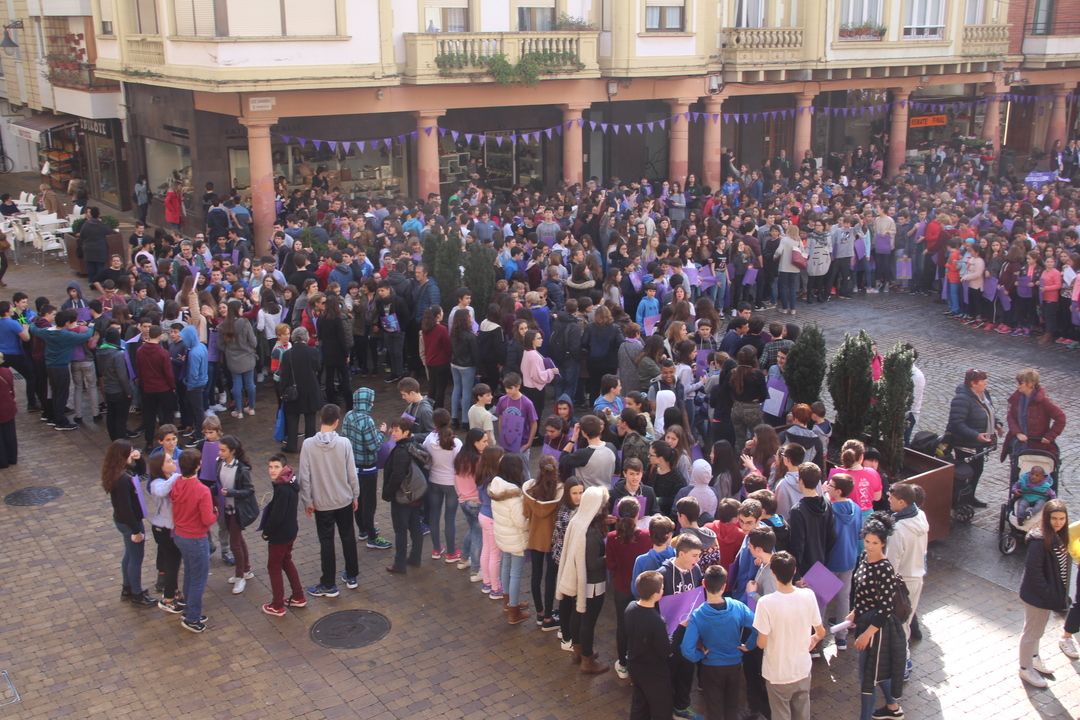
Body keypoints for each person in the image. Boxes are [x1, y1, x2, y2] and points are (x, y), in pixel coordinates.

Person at [846, 513, 906, 720]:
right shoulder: (864, 557)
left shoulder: (885, 569)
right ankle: (893, 707)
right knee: (874, 672)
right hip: (864, 622)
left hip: (876, 629)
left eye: (875, 543)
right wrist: (855, 611)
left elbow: (885, 608)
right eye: (867, 541)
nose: (870, 546)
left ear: (883, 543)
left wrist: (867, 635)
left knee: (867, 676)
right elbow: (861, 592)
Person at [680, 564, 758, 720]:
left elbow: (687, 649)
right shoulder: (738, 607)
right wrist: (748, 646)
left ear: (704, 584)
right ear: (724, 586)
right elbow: (758, 626)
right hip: (734, 665)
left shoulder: (697, 614)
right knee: (732, 707)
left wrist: (700, 655)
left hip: (711, 667)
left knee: (714, 709)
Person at [753, 551, 825, 720]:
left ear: (773, 573)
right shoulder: (808, 595)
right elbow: (821, 632)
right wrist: (814, 639)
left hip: (777, 673)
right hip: (802, 669)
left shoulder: (765, 603)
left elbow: (761, 643)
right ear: (794, 571)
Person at [299, 404, 359, 596]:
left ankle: (328, 584)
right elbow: (352, 473)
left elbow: (304, 476)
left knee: (326, 541)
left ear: (320, 419)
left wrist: (307, 500)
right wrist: (355, 495)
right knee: (348, 536)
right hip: (344, 499)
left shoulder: (308, 445)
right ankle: (352, 576)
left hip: (322, 503)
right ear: (336, 422)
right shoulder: (344, 443)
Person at [556, 485, 611, 674]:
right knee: (588, 622)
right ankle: (587, 660)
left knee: (576, 616)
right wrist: (608, 556)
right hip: (592, 585)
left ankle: (578, 652)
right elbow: (593, 564)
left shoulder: (577, 520)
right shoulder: (592, 532)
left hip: (577, 581)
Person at [1018, 500, 1071, 688]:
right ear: (1046, 518)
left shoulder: (1056, 536)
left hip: (1045, 596)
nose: (1058, 523)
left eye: (1062, 519)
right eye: (1054, 518)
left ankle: (1034, 658)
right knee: (1032, 632)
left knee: (1036, 631)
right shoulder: (1039, 542)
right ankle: (1025, 668)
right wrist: (1049, 594)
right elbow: (1034, 572)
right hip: (1038, 596)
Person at [102, 440, 156, 608]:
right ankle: (137, 594)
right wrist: (136, 530)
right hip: (130, 523)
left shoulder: (118, 472)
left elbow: (140, 472)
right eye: (130, 451)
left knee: (129, 555)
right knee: (136, 558)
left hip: (122, 521)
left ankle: (127, 588)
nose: (133, 453)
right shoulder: (123, 480)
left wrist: (139, 459)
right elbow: (126, 508)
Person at [170, 448, 218, 633]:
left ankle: (189, 610)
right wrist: (215, 513)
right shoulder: (202, 490)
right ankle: (192, 618)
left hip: (180, 535)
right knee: (198, 579)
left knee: (190, 574)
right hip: (196, 539)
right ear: (198, 466)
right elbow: (207, 519)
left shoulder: (177, 483)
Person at [658, 533, 706, 718]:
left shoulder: (696, 570)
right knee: (668, 675)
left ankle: (681, 707)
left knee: (686, 672)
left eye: (699, 555)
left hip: (689, 635)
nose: (698, 559)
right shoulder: (663, 574)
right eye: (694, 555)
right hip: (669, 636)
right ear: (681, 554)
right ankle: (664, 709)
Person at [606, 496, 653, 678]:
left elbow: (610, 565)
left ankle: (623, 664)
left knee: (622, 626)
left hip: (621, 588)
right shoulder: (647, 536)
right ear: (638, 514)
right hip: (642, 590)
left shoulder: (612, 538)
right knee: (641, 626)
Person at [341, 387, 392, 549]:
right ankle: (372, 537)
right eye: (371, 401)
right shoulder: (367, 420)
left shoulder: (348, 415)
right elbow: (373, 446)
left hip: (352, 466)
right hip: (367, 469)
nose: (372, 404)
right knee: (369, 504)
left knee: (358, 499)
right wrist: (382, 433)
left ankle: (362, 530)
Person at [946, 369, 1003, 506]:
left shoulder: (984, 394)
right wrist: (976, 436)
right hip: (966, 443)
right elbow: (957, 423)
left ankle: (969, 497)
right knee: (966, 472)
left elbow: (989, 412)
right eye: (982, 381)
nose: (985, 383)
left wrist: (997, 423)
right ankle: (959, 499)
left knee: (977, 470)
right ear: (973, 383)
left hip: (978, 443)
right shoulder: (961, 399)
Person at [259, 453, 307, 616]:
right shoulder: (291, 482)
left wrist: (266, 532)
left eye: (276, 467)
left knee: (274, 567)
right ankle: (298, 596)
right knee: (286, 561)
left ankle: (277, 605)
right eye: (270, 467)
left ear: (284, 468)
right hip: (291, 531)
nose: (272, 470)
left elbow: (277, 516)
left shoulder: (281, 488)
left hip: (279, 535)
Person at [383, 418, 432, 574]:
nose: (393, 433)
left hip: (402, 498)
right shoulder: (415, 447)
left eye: (396, 430)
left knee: (400, 530)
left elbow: (397, 476)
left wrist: (387, 493)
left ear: (406, 432)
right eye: (392, 429)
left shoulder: (400, 451)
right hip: (416, 495)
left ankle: (399, 563)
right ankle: (415, 558)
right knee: (415, 526)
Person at [523, 454, 564, 631]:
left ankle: (540, 613)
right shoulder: (561, 492)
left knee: (536, 574)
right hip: (553, 539)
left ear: (539, 470)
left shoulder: (530, 490)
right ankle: (549, 616)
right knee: (550, 578)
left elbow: (526, 513)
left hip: (535, 537)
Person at [625, 570, 673, 720]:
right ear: (655, 595)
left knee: (639, 706)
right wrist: (680, 630)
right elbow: (665, 651)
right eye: (662, 588)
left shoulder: (630, 607)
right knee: (661, 710)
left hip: (635, 666)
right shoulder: (657, 621)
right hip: (653, 672)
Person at [490, 453, 531, 625]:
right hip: (516, 539)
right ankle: (514, 611)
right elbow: (521, 523)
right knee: (515, 574)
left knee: (506, 568)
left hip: (503, 537)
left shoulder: (496, 487)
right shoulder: (514, 496)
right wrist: (531, 521)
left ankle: (508, 602)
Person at [887, 483, 928, 648]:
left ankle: (902, 659)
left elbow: (892, 562)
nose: (888, 500)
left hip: (902, 582)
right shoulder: (921, 516)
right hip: (917, 577)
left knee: (898, 626)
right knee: (906, 623)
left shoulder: (898, 529)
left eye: (891, 497)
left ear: (902, 502)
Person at [823, 472, 861, 651]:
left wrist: (823, 494)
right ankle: (842, 638)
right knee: (844, 599)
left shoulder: (829, 509)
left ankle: (817, 638)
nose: (828, 486)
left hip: (831, 561)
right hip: (849, 559)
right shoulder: (857, 509)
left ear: (838, 491)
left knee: (821, 599)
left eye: (830, 485)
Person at [216, 436, 257, 594]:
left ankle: (240, 576)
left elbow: (249, 490)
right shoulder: (219, 463)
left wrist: (232, 493)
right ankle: (246, 570)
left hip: (237, 510)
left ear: (232, 451)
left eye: (223, 450)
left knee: (235, 543)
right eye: (220, 450)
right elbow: (217, 484)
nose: (220, 453)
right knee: (238, 539)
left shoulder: (241, 469)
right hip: (225, 508)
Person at [1001, 368, 1066, 468]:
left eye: (1020, 382)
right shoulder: (1017, 398)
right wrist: (1018, 433)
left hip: (1036, 446)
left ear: (1030, 384)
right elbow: (1010, 417)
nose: (1017, 384)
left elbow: (1060, 417)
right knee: (1017, 471)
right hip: (1017, 444)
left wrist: (1049, 436)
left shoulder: (1043, 401)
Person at [424, 409, 462, 562]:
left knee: (434, 515)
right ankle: (451, 552)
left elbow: (424, 457)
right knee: (450, 518)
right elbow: (460, 464)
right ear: (449, 421)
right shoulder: (456, 442)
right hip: (451, 483)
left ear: (434, 423)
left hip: (434, 481)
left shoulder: (429, 439)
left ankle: (436, 549)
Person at [279, 327, 324, 453]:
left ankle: (292, 445)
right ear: (306, 337)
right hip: (311, 389)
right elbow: (318, 367)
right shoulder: (313, 351)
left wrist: (282, 391)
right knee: (310, 418)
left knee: (292, 418)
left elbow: (284, 376)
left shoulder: (287, 354)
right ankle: (310, 445)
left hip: (294, 390)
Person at [219, 300, 258, 419]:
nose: (242, 309)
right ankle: (251, 408)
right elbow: (253, 342)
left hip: (232, 359)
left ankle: (239, 411)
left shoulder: (223, 326)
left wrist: (229, 350)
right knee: (250, 383)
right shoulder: (245, 323)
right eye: (241, 308)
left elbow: (220, 345)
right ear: (236, 310)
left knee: (236, 384)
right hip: (247, 358)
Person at [557, 414, 618, 489]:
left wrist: (573, 439)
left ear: (584, 433)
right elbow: (617, 472)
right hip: (607, 491)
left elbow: (562, 459)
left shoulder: (582, 454)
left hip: (588, 493)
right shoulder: (611, 447)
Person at [0, 353, 16, 468]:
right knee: (9, 434)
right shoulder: (6, 372)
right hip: (7, 406)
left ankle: (2, 461)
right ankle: (12, 458)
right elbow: (11, 389)